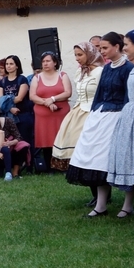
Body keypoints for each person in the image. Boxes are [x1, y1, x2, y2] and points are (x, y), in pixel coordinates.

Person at [67, 32, 133, 217]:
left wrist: (125, 119)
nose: (101, 51)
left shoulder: (128, 68)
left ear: (117, 47)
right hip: (101, 116)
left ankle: (127, 206)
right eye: (100, 48)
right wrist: (95, 112)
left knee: (123, 161)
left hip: (118, 116)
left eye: (105, 48)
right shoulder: (106, 68)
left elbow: (129, 96)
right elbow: (99, 94)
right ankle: (101, 205)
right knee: (97, 161)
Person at [51, 42, 104, 172]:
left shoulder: (100, 72)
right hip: (79, 110)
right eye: (75, 55)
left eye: (80, 55)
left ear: (89, 54)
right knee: (70, 138)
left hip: (94, 111)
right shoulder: (80, 72)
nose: (77, 58)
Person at [106, 29, 134, 217]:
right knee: (132, 161)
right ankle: (128, 206)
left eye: (127, 44)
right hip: (131, 116)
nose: (124, 48)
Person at [29, 51, 72, 170]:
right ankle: (49, 167)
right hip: (43, 115)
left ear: (55, 63)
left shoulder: (62, 75)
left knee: (62, 138)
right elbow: (32, 96)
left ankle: (63, 166)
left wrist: (52, 99)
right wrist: (47, 103)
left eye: (48, 61)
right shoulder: (37, 77)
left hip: (60, 113)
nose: (45, 63)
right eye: (43, 61)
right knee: (46, 138)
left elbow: (68, 92)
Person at [0, 100, 30, 178]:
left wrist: (10, 143)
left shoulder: (8, 121)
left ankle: (15, 172)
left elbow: (18, 137)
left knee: (22, 145)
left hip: (8, 149)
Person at [0, 55, 34, 147]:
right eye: (7, 64)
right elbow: (0, 100)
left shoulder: (22, 79)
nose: (8, 66)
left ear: (17, 66)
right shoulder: (2, 82)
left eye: (11, 64)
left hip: (22, 115)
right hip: (8, 117)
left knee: (25, 141)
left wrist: (7, 103)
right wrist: (10, 108)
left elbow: (19, 98)